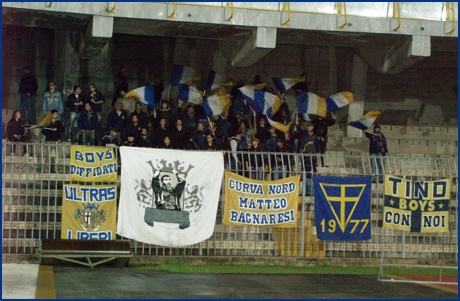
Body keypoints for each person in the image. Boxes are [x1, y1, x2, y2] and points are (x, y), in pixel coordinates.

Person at [298, 122, 318, 196]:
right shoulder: (304, 135)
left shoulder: (315, 137)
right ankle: (305, 191)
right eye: (308, 126)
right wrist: (297, 124)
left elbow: (317, 147)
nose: (309, 128)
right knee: (304, 174)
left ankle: (310, 191)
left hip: (312, 158)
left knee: (310, 174)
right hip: (305, 157)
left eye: (310, 126)